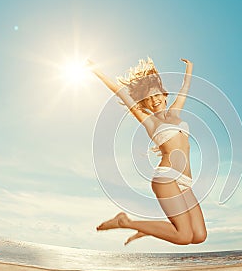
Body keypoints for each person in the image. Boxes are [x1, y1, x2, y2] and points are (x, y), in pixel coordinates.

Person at [88, 57, 207, 246]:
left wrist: (190, 67)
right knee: (184, 236)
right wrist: (97, 72)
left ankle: (150, 229)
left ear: (165, 96)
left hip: (185, 182)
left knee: (199, 236)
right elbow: (121, 94)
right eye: (149, 98)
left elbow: (185, 88)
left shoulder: (176, 112)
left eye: (157, 95)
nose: (154, 100)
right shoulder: (150, 121)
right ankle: (124, 221)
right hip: (166, 177)